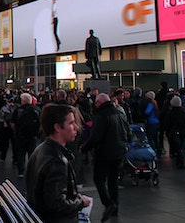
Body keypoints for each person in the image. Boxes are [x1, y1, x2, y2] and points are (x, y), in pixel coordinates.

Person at [26, 104, 91, 223]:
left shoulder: (40, 150)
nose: (76, 127)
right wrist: (81, 202)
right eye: (71, 123)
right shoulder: (57, 161)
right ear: (57, 127)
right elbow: (56, 204)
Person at [81, 93, 131, 222]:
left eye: (96, 103)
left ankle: (108, 203)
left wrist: (84, 148)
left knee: (99, 179)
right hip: (119, 152)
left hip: (104, 153)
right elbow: (128, 132)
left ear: (100, 102)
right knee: (113, 181)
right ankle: (115, 207)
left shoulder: (101, 115)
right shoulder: (119, 114)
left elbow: (95, 136)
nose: (95, 105)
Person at [11, 92, 41, 178]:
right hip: (32, 135)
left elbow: (13, 123)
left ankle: (21, 171)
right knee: (32, 154)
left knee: (20, 153)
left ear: (23, 101)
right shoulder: (36, 110)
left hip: (20, 135)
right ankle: (32, 170)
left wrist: (16, 131)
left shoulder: (18, 110)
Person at [164, 95, 185, 169]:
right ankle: (181, 162)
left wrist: (168, 132)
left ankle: (179, 162)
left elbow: (167, 124)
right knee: (181, 147)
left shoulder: (170, 113)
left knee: (177, 148)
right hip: (183, 132)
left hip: (174, 132)